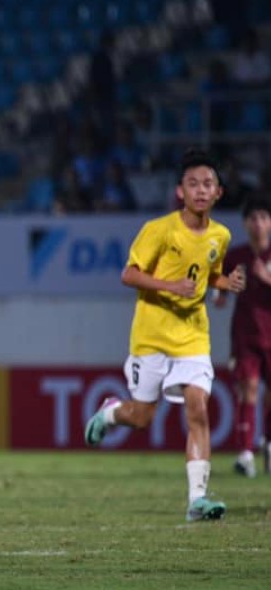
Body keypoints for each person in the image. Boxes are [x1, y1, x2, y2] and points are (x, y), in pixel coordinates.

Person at [84, 149, 246, 522]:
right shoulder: (159, 230)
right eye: (193, 184)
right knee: (141, 418)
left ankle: (197, 500)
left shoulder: (221, 236)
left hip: (192, 337)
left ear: (219, 193)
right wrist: (170, 285)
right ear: (180, 192)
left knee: (198, 408)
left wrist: (226, 282)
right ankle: (111, 413)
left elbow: (209, 275)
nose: (201, 191)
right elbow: (129, 274)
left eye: (208, 184)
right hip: (152, 336)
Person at [214, 194, 271, 477]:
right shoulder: (236, 257)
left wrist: (266, 278)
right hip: (245, 337)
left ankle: (268, 445)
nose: (258, 224)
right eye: (253, 219)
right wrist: (220, 293)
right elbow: (219, 283)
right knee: (247, 390)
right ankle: (246, 453)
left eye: (263, 218)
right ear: (245, 223)